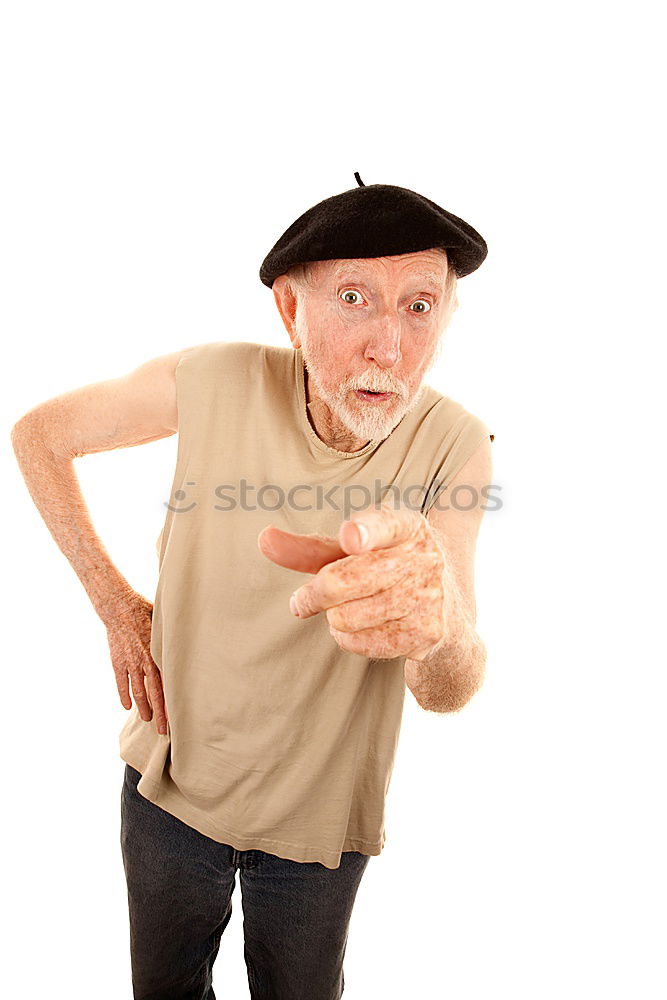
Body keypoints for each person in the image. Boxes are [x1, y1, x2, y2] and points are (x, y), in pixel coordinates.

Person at [10, 172, 494, 1000]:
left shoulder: (455, 445)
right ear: (289, 310)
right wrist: (115, 605)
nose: (389, 345)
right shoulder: (212, 380)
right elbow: (39, 435)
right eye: (353, 298)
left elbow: (448, 687)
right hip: (171, 793)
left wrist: (437, 619)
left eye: (419, 306)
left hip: (319, 827)